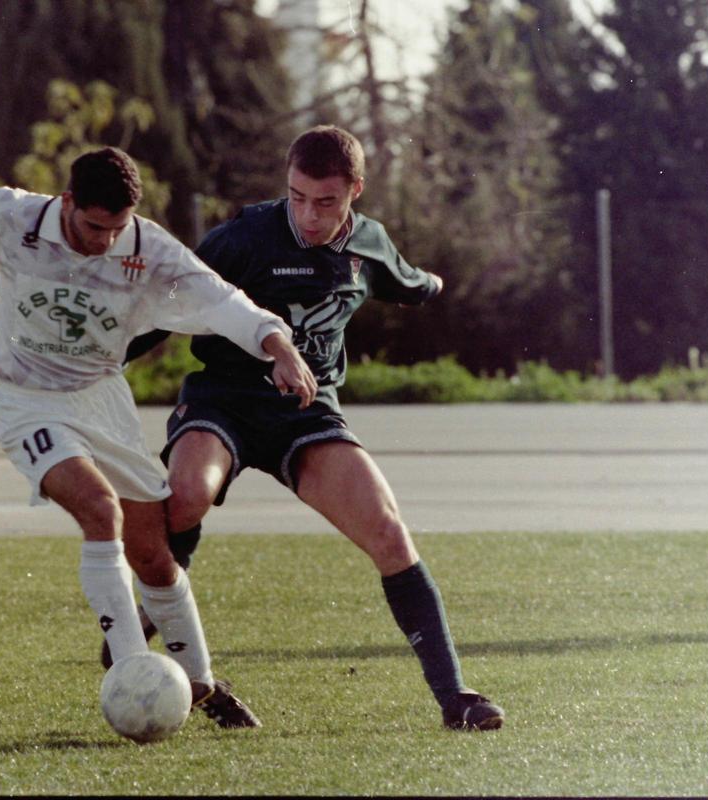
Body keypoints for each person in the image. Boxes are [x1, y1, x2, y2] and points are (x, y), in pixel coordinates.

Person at [0, 146, 317, 729]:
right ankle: (135, 672)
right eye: (93, 226)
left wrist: (279, 345)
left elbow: (219, 297)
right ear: (66, 203)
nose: (105, 241)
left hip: (103, 400)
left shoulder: (148, 245)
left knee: (154, 557)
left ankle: (203, 685)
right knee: (98, 508)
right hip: (27, 401)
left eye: (116, 229)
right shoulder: (13, 217)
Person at [114, 126, 505, 731]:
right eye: (297, 197)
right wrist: (107, 358)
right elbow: (170, 303)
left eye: (326, 202)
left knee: (388, 532)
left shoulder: (369, 245)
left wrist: (432, 287)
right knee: (187, 494)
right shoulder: (244, 236)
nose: (309, 216)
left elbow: (406, 281)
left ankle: (456, 698)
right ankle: (157, 603)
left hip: (308, 411)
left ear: (355, 191)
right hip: (224, 401)